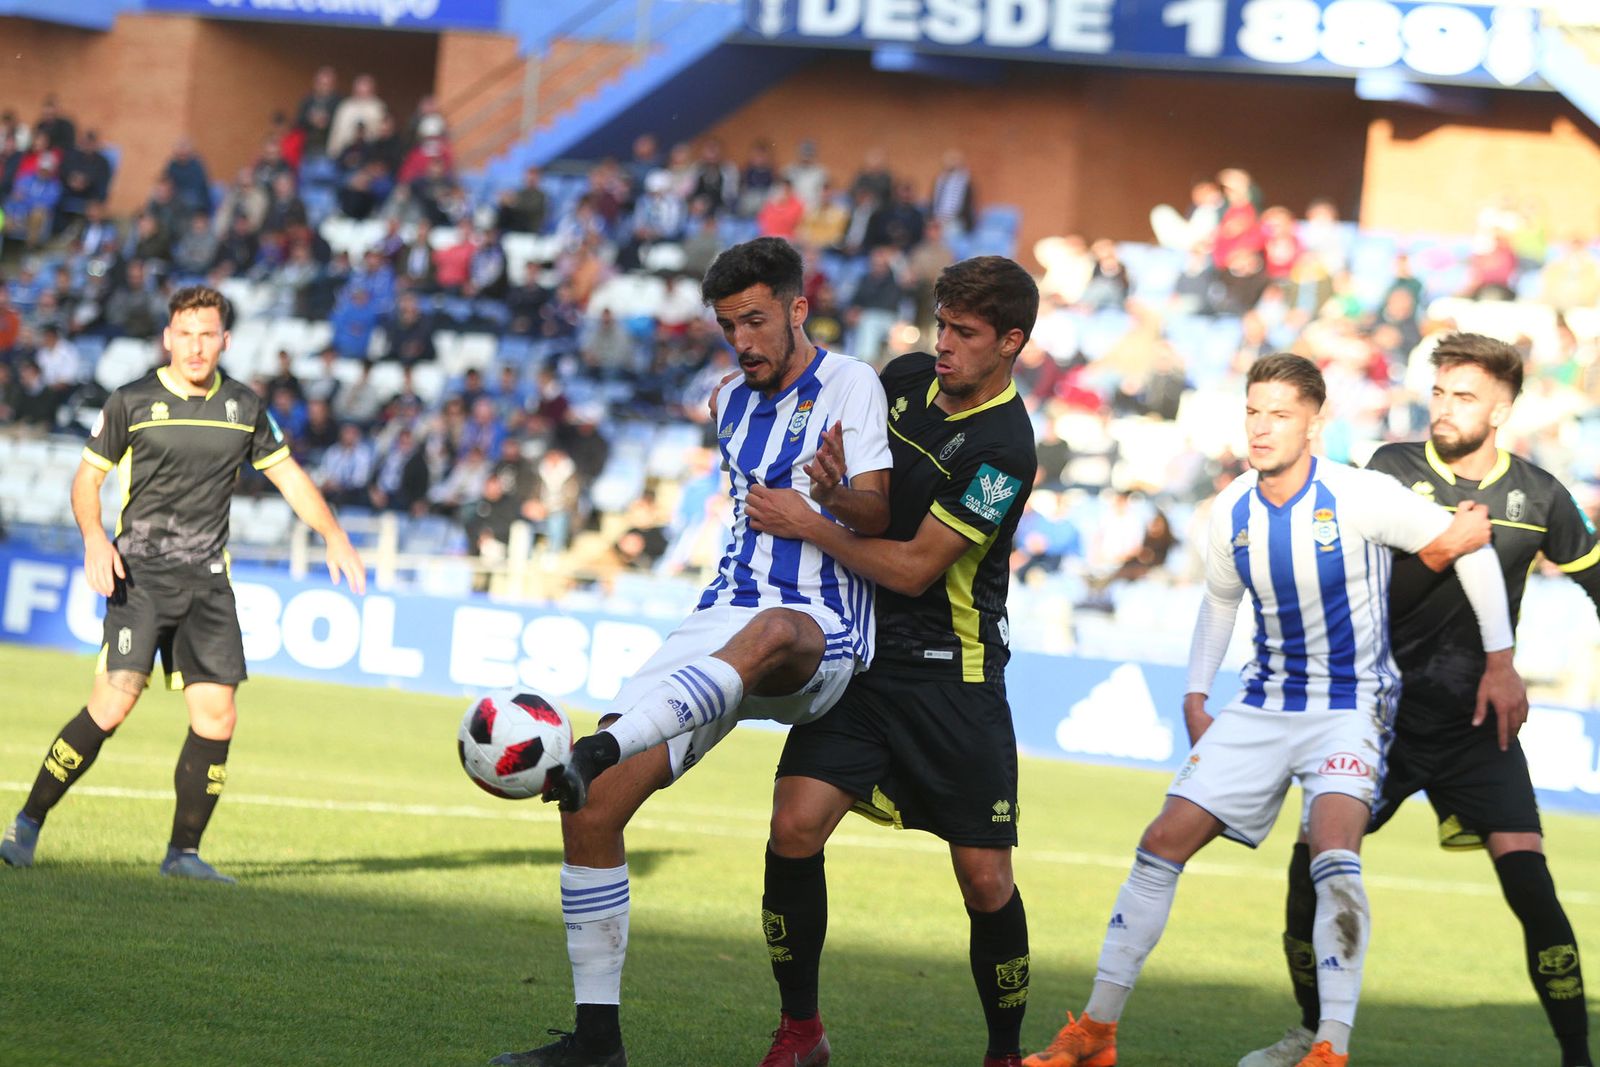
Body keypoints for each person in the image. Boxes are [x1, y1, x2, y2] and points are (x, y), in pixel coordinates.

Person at [1023, 353, 1525, 1067]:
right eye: (1253, 411)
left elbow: (1470, 546)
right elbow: (1221, 600)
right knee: (1162, 839)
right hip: (1261, 704)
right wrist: (1198, 691)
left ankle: (1330, 1046)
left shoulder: (1359, 494)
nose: (1261, 427)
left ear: (1314, 423)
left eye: (1279, 413)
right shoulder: (1231, 507)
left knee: (1334, 852)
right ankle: (1094, 1033)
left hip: (1348, 706)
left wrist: (1501, 660)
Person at [491, 236, 892, 1067]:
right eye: (727, 325)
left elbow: (878, 514)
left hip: (819, 625)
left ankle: (601, 742)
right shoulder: (727, 399)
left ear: (796, 307)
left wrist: (824, 498)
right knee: (591, 807)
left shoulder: (852, 384)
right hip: (720, 618)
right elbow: (727, 412)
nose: (742, 340)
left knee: (771, 633)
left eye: (755, 320)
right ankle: (597, 1040)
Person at [1240, 334, 1597, 1067]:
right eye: (1438, 392)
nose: (1443, 408)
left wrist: (1502, 665)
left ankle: (1577, 1057)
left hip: (1477, 722)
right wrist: (1445, 547)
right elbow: (1370, 584)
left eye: (1463, 395)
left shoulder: (1541, 495)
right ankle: (1311, 1035)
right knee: (1312, 865)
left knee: (1531, 885)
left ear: (1502, 407)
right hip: (1378, 716)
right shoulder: (1389, 471)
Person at [742, 255, 1042, 1067]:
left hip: (956, 679)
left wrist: (811, 522)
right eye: (941, 322)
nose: (942, 343)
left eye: (966, 332)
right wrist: (838, 493)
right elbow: (866, 500)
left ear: (1011, 341)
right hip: (866, 662)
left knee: (985, 883)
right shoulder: (902, 378)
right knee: (793, 827)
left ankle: (1004, 1053)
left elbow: (914, 566)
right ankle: (800, 1031)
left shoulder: (1006, 450)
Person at [0, 286, 366, 881]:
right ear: (168, 338)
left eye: (208, 335)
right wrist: (94, 538)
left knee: (217, 717)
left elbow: (291, 479)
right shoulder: (132, 402)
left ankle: (184, 855)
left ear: (224, 340)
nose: (196, 347)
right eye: (185, 334)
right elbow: (86, 482)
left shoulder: (244, 407)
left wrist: (334, 535)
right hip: (139, 572)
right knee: (114, 702)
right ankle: (27, 823)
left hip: (208, 580)